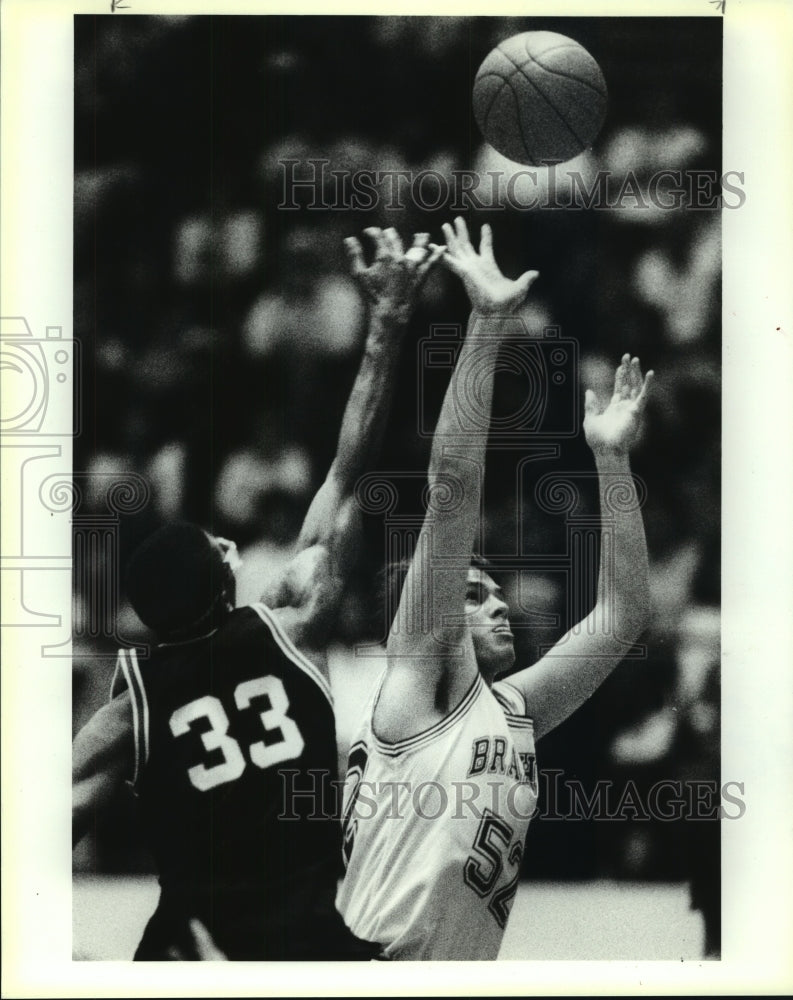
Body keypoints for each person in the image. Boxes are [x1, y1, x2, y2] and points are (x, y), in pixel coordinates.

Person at [71, 227, 443, 960]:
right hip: (303, 937)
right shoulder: (291, 621)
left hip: (191, 944)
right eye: (217, 544)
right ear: (217, 576)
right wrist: (388, 327)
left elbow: (63, 812)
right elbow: (346, 467)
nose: (227, 539)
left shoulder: (131, 703)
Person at [336, 217, 653, 961]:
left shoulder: (511, 710)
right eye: (472, 594)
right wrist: (485, 324)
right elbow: (449, 488)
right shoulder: (415, 685)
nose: (499, 601)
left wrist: (609, 462)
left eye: (490, 591)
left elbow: (620, 614)